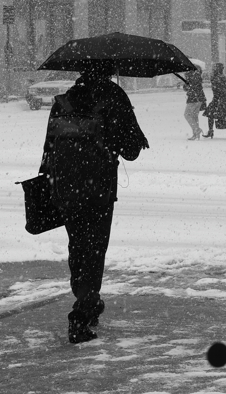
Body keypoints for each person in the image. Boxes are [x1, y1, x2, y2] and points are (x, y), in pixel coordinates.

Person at [40, 64, 149, 344]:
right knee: (94, 249)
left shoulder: (65, 100)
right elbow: (132, 150)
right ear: (109, 71)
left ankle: (88, 298)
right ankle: (82, 314)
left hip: (64, 186)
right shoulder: (114, 97)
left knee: (78, 245)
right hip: (97, 188)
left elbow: (49, 147)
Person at [203, 62, 226, 139]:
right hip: (220, 99)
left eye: (214, 68)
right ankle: (211, 131)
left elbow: (222, 90)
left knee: (225, 115)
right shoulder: (218, 77)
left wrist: (220, 99)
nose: (213, 70)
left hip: (222, 99)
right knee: (213, 114)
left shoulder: (219, 78)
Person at [182, 66, 206, 140]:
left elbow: (189, 87)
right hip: (199, 98)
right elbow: (192, 87)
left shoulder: (191, 75)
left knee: (187, 115)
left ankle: (197, 130)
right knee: (194, 116)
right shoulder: (196, 75)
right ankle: (195, 134)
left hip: (194, 98)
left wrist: (186, 84)